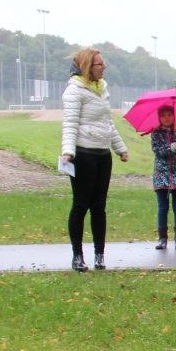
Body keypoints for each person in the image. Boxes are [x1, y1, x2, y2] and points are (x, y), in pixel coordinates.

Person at [61, 47, 130, 272]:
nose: (104, 67)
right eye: (100, 64)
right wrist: (68, 151)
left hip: (102, 153)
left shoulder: (102, 88)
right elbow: (70, 123)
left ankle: (99, 255)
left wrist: (120, 148)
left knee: (99, 206)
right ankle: (77, 256)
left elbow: (106, 123)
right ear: (88, 67)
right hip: (83, 153)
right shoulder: (75, 90)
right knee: (81, 205)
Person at [150, 104, 176, 250]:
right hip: (162, 176)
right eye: (163, 115)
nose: (166, 118)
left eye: (169, 115)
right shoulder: (156, 133)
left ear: (174, 116)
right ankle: (162, 239)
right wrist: (171, 147)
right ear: (159, 118)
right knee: (163, 208)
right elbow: (157, 150)